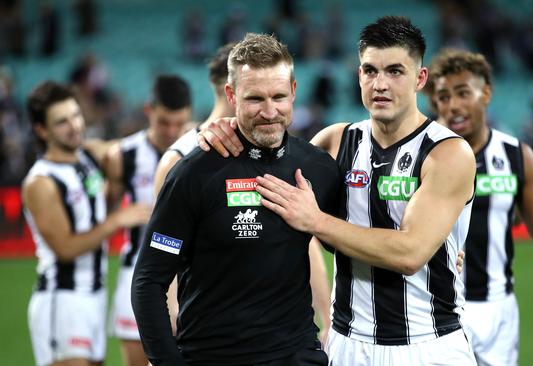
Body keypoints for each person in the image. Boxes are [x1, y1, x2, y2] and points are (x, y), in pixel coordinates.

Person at [200, 16, 478, 365]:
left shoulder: (448, 152)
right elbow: (266, 175)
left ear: (420, 78)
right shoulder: (335, 141)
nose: (380, 84)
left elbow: (410, 253)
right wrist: (227, 130)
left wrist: (316, 221)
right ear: (358, 75)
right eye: (369, 70)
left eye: (395, 71)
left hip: (427, 345)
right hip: (348, 345)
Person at [132, 33, 339, 365]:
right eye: (255, 98)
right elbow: (148, 281)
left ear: (295, 92)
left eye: (279, 96)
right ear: (232, 95)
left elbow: (358, 244)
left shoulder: (317, 168)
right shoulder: (194, 173)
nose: (270, 111)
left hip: (296, 356)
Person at [425, 48, 533, 365]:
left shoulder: (516, 156)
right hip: (433, 308)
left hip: (497, 311)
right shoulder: (421, 152)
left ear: (487, 93)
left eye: (463, 93)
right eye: (444, 96)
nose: (453, 106)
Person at [22, 81, 149, 366]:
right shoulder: (41, 182)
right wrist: (116, 220)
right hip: (63, 298)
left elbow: (125, 150)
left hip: (94, 295)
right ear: (42, 130)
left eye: (76, 116)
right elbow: (65, 247)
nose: (75, 126)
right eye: (62, 122)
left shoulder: (87, 157)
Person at [104, 75, 192, 366]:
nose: (171, 131)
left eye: (178, 123)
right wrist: (118, 217)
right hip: (137, 272)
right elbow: (103, 214)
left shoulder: (199, 150)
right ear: (148, 111)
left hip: (187, 276)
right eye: (163, 122)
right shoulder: (123, 156)